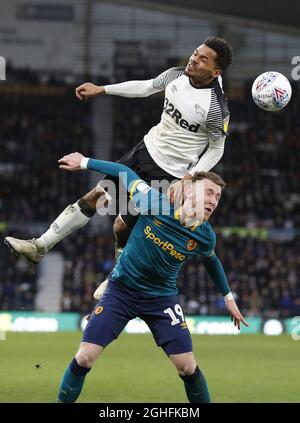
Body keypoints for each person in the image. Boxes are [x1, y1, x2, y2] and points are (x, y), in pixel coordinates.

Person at [4, 37, 233, 300]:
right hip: (144, 151)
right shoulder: (177, 75)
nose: (194, 59)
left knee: (121, 227)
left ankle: (117, 279)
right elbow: (147, 87)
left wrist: (190, 177)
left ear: (216, 72)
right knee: (96, 197)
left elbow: (216, 149)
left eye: (203, 59)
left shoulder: (216, 108)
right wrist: (102, 89)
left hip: (170, 175)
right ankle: (40, 246)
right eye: (195, 53)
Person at [55, 151, 248, 403]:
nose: (214, 200)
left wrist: (228, 298)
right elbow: (125, 172)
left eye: (218, 196)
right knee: (84, 357)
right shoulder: (154, 203)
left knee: (188, 367)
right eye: (209, 192)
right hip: (121, 292)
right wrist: (83, 162)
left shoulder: (205, 235)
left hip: (162, 300)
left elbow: (211, 260)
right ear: (189, 191)